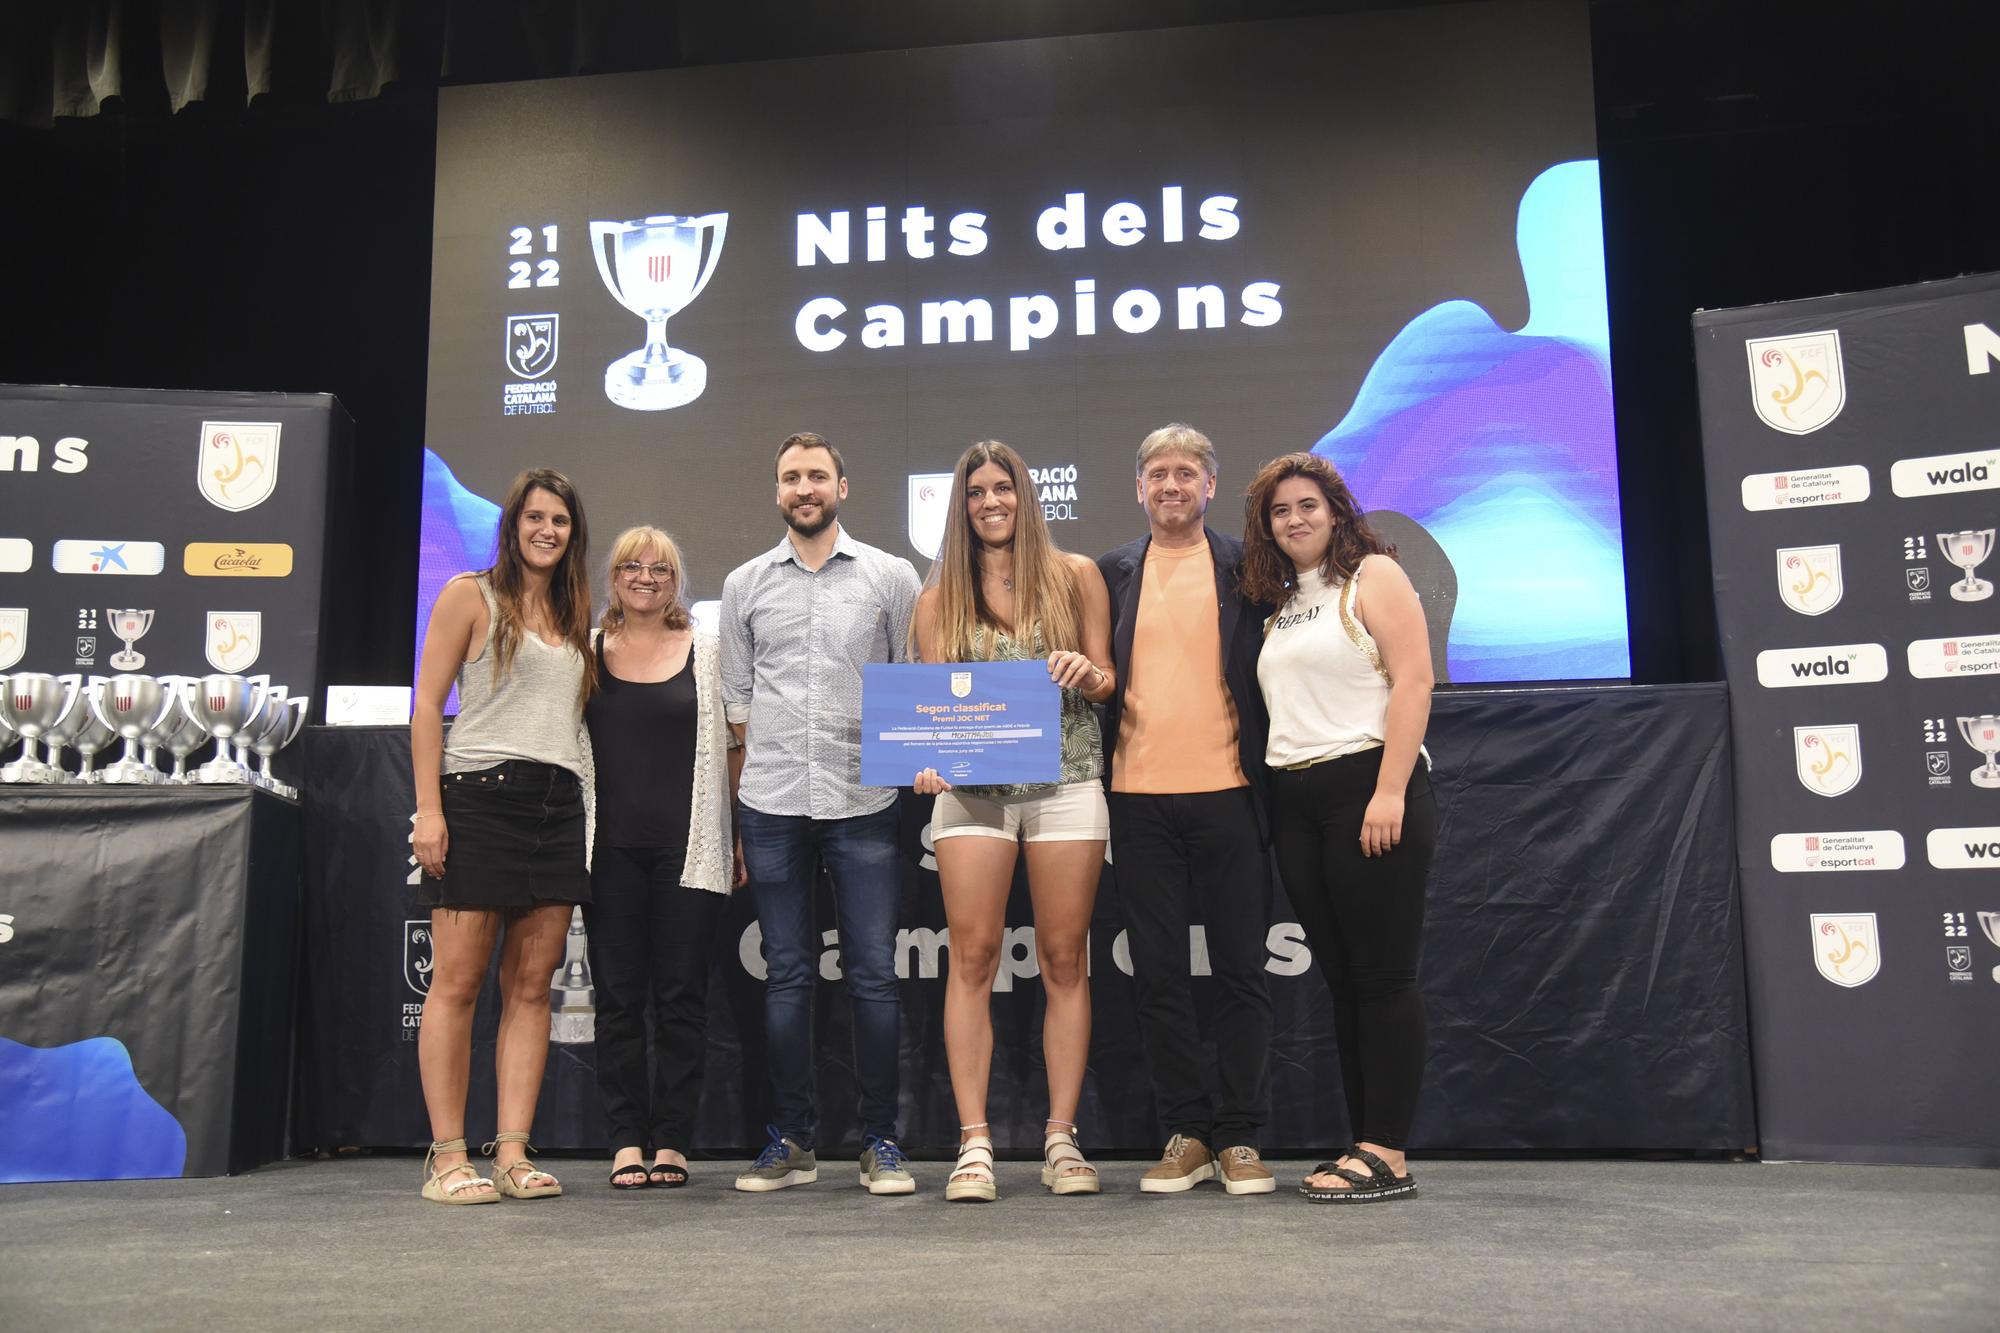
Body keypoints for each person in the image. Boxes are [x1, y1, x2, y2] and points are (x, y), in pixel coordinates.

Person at [909, 441, 1117, 1202]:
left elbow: (1106, 677)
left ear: (1025, 495)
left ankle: (1061, 1138)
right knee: (973, 954)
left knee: (1065, 957)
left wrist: (1090, 675)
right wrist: (928, 758)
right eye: (975, 492)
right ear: (960, 507)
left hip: (1066, 780)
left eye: (1003, 487)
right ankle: (975, 1142)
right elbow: (930, 712)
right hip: (971, 793)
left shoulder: (1077, 576)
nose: (990, 501)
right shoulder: (937, 600)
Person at [720, 432, 923, 1195]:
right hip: (770, 800)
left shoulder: (890, 575)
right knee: (788, 979)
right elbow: (739, 702)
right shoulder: (745, 583)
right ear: (777, 491)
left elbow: (910, 683)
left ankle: (881, 1141)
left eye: (816, 475)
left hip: (865, 799)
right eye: (790, 477)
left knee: (873, 976)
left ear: (844, 483)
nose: (803, 487)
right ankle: (792, 1140)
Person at [1240, 451, 1435, 1203]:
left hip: (1369, 784)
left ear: (1336, 509)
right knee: (1346, 982)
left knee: (1384, 977)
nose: (1295, 519)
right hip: (1297, 799)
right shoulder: (1284, 601)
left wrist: (1390, 790)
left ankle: (1389, 1149)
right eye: (1280, 511)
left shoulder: (1374, 576)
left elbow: (1414, 678)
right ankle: (1366, 1141)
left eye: (1307, 505)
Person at [1096, 423, 1278, 1196]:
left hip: (1233, 795)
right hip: (1137, 802)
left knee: (1241, 971)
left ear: (1209, 486)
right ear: (1138, 488)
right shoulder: (1110, 574)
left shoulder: (1250, 568)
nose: (1171, 486)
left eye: (1186, 474)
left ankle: (1239, 1136)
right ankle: (1188, 1133)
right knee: (1160, 976)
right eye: (1157, 475)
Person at [410, 467, 596, 1204]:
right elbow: (427, 706)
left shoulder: (574, 614)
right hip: (479, 796)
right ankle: (448, 1157)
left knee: (529, 989)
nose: (547, 530)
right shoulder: (468, 594)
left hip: (557, 805)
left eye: (561, 521)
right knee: (456, 984)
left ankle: (511, 1154)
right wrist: (429, 808)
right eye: (536, 517)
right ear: (512, 523)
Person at [583, 526, 743, 1191]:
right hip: (606, 852)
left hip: (690, 847)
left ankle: (672, 1139)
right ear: (613, 577)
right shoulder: (584, 651)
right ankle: (626, 1139)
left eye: (660, 567)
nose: (645, 576)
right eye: (631, 566)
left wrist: (733, 836)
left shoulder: (707, 651)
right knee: (618, 999)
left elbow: (736, 746)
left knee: (681, 998)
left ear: (678, 580)